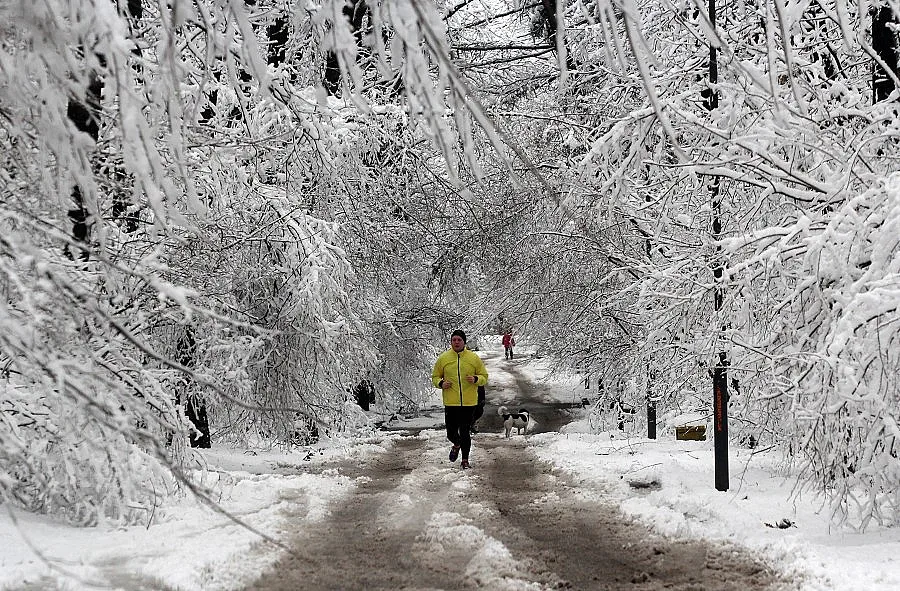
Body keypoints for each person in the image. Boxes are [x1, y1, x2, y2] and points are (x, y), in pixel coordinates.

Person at [432, 329, 488, 469]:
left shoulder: (473, 358)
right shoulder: (444, 358)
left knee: (464, 431)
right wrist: (441, 383)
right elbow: (435, 377)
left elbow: (484, 377)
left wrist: (476, 379)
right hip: (451, 402)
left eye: (459, 340)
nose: (456, 342)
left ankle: (465, 459)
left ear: (464, 342)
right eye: (454, 340)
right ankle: (456, 444)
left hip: (469, 402)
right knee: (451, 433)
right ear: (451, 342)